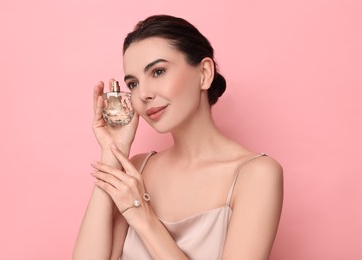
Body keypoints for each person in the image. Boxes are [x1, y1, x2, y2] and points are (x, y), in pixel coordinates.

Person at [72, 14, 283, 260]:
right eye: (133, 84)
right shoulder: (137, 168)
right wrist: (112, 154)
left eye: (158, 71)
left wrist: (143, 217)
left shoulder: (256, 174)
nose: (144, 94)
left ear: (204, 73)